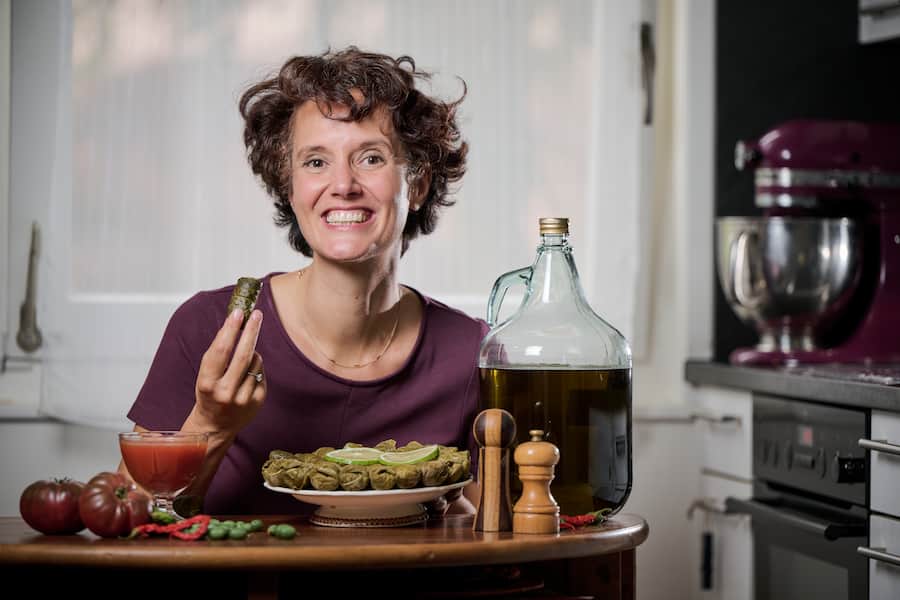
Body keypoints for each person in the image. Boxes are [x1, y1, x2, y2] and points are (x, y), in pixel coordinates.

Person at [120, 46, 486, 515]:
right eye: (315, 162)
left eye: (371, 158)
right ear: (288, 186)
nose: (343, 184)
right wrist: (211, 422)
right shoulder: (207, 327)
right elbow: (127, 514)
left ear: (415, 184)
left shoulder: (471, 352)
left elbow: (503, 532)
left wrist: (457, 510)